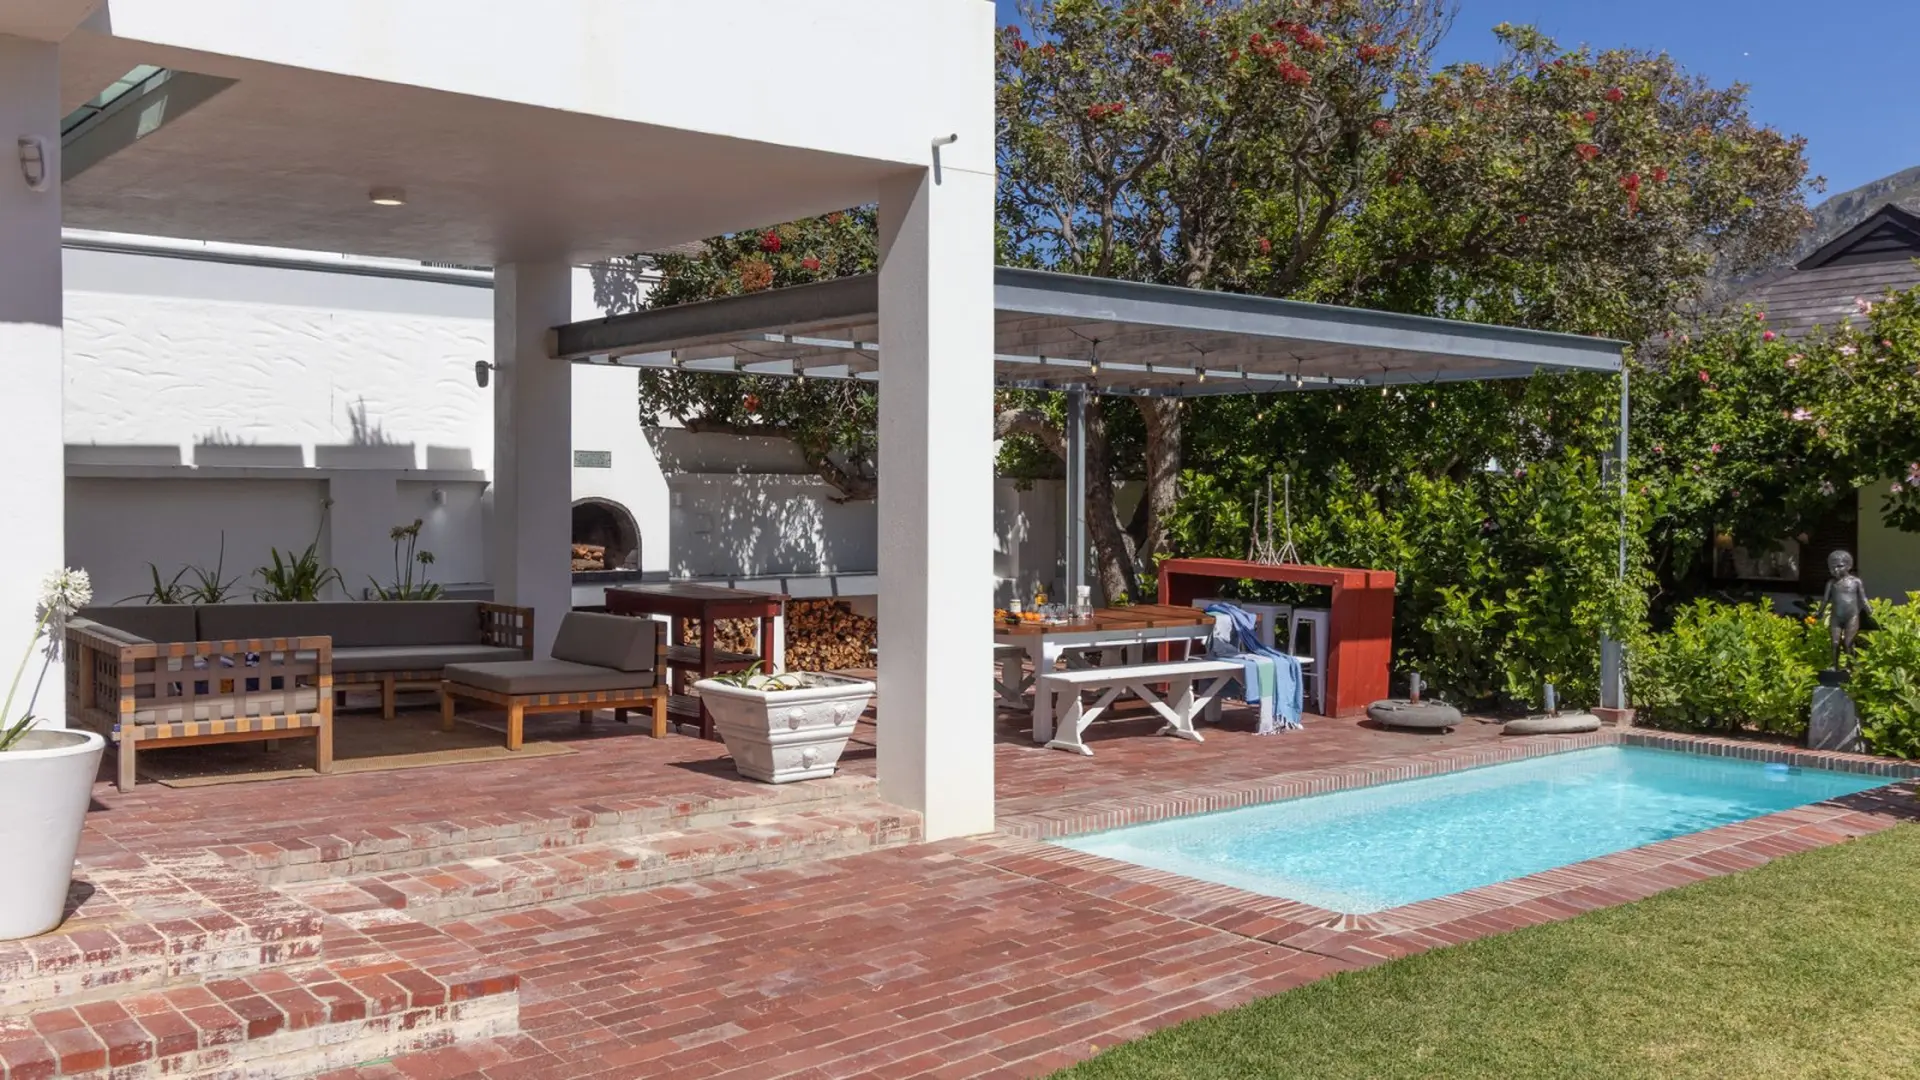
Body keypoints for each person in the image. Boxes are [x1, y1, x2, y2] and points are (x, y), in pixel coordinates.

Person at [1816, 549, 1868, 670]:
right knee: (1834, 643)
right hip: (1836, 617)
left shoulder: (1856, 582)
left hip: (1852, 616)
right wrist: (1820, 612)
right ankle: (1835, 667)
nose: (1836, 570)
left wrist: (1871, 610)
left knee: (1848, 643)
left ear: (1848, 565)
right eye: (1833, 567)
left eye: (1839, 566)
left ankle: (1850, 667)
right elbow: (1825, 600)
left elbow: (1863, 599)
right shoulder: (1831, 583)